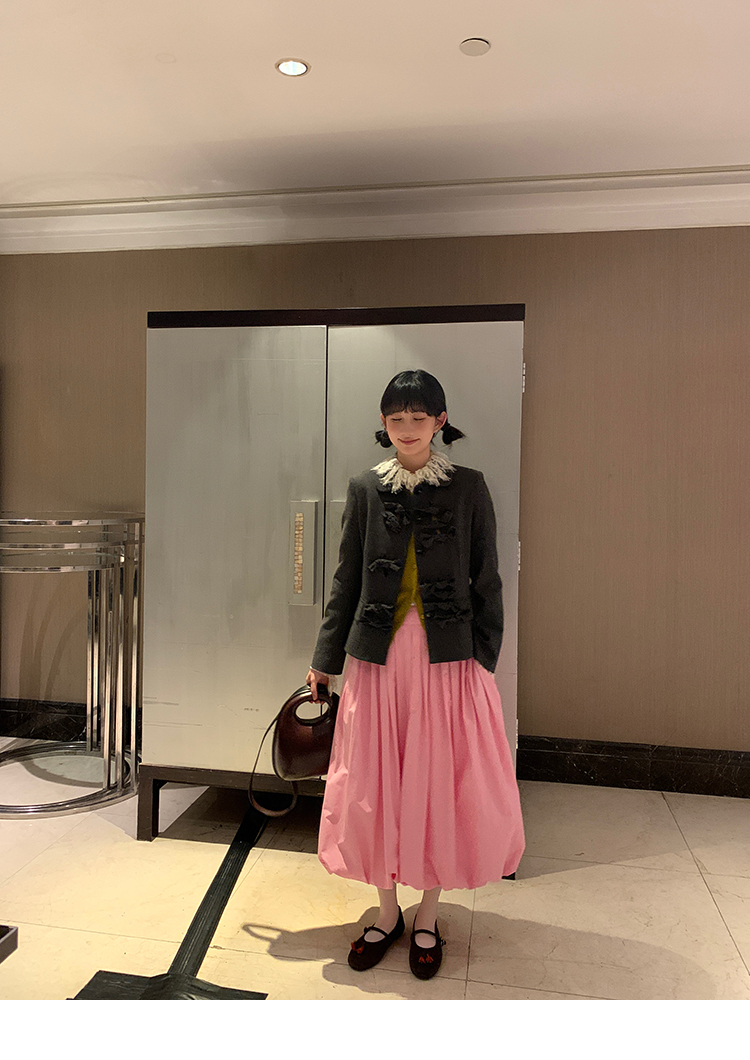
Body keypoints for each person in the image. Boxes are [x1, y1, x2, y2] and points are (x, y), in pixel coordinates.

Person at [306, 369, 525, 980]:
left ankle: (427, 914)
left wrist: (483, 657)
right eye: (396, 418)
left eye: (418, 418)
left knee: (437, 782)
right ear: (384, 423)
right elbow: (346, 580)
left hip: (447, 661)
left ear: (439, 421)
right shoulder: (365, 488)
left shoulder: (469, 487)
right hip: (376, 661)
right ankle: (386, 913)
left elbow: (488, 575)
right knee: (374, 782)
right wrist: (325, 658)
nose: (407, 429)